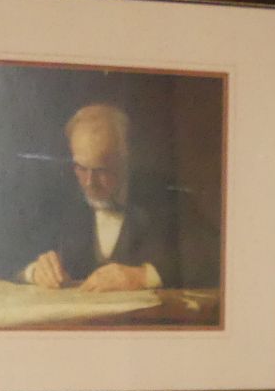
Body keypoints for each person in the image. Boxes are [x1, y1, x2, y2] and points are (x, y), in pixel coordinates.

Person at [21, 104, 200, 292]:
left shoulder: (166, 195)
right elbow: (4, 253)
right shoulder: (57, 196)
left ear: (125, 160)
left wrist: (143, 276)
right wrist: (35, 271)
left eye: (101, 170)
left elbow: (210, 257)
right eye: (81, 168)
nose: (90, 182)